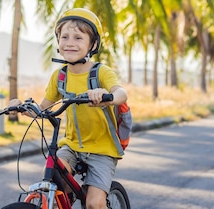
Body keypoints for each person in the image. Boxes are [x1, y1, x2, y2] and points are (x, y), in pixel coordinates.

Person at [8, 8, 128, 209]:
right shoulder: (60, 77)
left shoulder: (101, 73)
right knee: (55, 179)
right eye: (65, 36)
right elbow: (43, 108)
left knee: (94, 203)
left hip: (101, 149)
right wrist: (19, 106)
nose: (70, 42)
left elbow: (121, 93)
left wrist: (107, 97)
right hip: (71, 145)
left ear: (93, 44)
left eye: (78, 38)